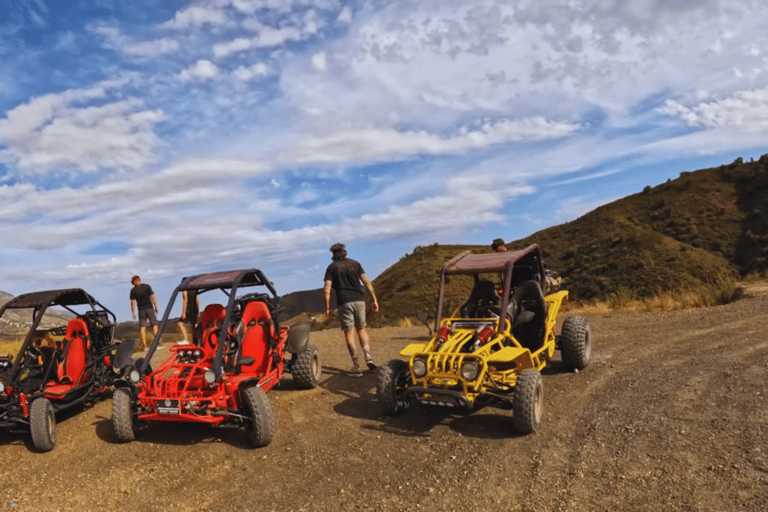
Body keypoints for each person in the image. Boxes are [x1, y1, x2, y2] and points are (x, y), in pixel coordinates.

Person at [323, 243, 379, 377]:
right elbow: (366, 282)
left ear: (333, 255)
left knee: (349, 333)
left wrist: (327, 308)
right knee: (362, 329)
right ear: (345, 253)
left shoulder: (331, 268)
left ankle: (356, 366)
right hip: (360, 300)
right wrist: (374, 298)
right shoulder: (356, 264)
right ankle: (368, 356)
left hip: (344, 302)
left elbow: (327, 289)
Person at [130, 275, 160, 350]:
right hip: (149, 308)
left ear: (134, 282)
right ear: (139, 280)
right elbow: (152, 297)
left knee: (143, 328)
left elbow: (133, 302)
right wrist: (156, 306)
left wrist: (133, 312)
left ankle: (145, 346)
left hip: (141, 310)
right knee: (154, 325)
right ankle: (157, 344)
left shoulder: (133, 290)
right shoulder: (147, 286)